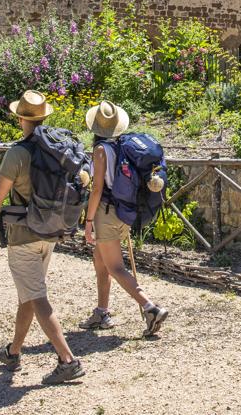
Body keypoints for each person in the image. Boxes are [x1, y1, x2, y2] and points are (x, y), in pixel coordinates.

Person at [0, 90, 85, 384]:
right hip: (50, 229)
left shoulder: (17, 153)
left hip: (23, 234)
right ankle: (14, 351)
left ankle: (67, 360)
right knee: (29, 294)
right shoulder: (56, 148)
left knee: (37, 296)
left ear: (20, 117)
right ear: (44, 117)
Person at [79, 100, 170, 336]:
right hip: (122, 212)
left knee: (116, 267)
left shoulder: (100, 151)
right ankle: (102, 312)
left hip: (106, 214)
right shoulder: (121, 146)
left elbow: (97, 189)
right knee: (100, 262)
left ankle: (151, 308)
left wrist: (88, 222)